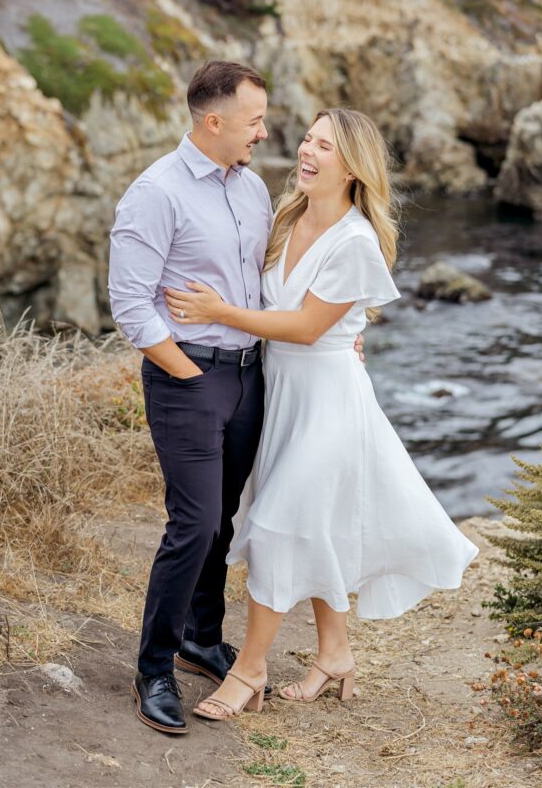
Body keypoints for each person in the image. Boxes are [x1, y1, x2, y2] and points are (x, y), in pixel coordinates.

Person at [164, 107, 480, 721]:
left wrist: (218, 313)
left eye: (325, 146)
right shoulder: (287, 217)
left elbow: (309, 327)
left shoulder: (357, 240)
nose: (307, 151)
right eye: (307, 139)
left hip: (329, 400)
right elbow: (276, 305)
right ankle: (334, 653)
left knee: (282, 522)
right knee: (317, 523)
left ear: (353, 166)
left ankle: (249, 672)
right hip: (279, 393)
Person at [108, 60, 364, 735]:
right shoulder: (154, 193)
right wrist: (189, 376)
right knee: (190, 525)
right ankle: (154, 669)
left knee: (223, 520)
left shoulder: (252, 189)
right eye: (254, 120)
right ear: (213, 121)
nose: (265, 132)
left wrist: (341, 332)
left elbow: (277, 281)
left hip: (253, 376)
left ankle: (200, 636)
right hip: (189, 377)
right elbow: (131, 308)